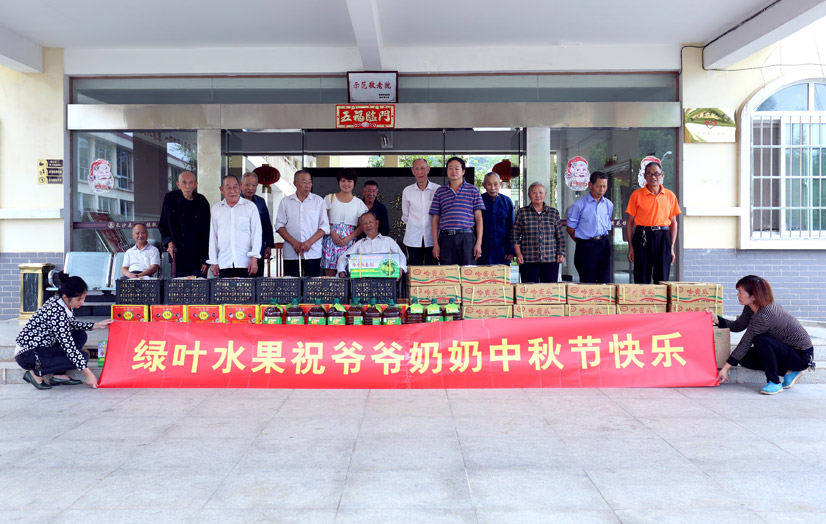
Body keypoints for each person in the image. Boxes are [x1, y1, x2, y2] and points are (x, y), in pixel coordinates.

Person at [715, 275, 814, 395]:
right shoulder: (751, 307)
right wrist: (716, 319)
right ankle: (788, 372)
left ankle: (774, 383)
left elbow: (745, 342)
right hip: (784, 350)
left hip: (801, 356)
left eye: (740, 292)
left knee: (760, 340)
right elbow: (738, 325)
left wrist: (725, 369)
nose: (737, 295)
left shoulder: (764, 315)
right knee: (744, 357)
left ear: (754, 296)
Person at [15, 276, 114, 390]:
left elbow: (70, 324)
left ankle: (59, 375)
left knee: (79, 335)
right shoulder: (56, 311)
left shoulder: (62, 302)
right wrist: (89, 374)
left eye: (83, 298)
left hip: (44, 347)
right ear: (65, 297)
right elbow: (69, 347)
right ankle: (35, 373)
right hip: (28, 355)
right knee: (82, 357)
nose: (82, 302)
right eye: (79, 299)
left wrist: (97, 325)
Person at [625, 161, 681, 284]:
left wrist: (671, 247)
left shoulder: (670, 196)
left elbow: (674, 223)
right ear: (644, 176)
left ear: (662, 175)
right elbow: (629, 223)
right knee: (641, 277)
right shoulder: (636, 195)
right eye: (649, 174)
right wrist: (631, 247)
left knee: (662, 278)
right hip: (642, 236)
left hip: (663, 237)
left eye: (656, 173)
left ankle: (660, 298)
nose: (653, 177)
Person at [429, 157, 485, 265]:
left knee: (468, 271)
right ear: (447, 171)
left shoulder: (473, 190)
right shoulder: (440, 191)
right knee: (448, 272)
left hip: (467, 237)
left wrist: (478, 243)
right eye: (450, 168)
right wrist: (435, 244)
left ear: (463, 171)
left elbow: (479, 219)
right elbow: (435, 219)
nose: (453, 171)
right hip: (446, 238)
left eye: (457, 168)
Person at [275, 170, 329, 278]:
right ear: (295, 183)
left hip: (313, 251)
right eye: (304, 182)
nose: (308, 185)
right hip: (291, 252)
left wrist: (309, 242)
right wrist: (294, 243)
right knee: (292, 283)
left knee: (312, 284)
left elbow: (324, 227)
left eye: (310, 182)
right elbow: (279, 226)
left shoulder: (318, 201)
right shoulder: (286, 202)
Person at [207, 175, 262, 278]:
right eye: (228, 187)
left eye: (235, 187)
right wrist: (214, 262)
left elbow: (257, 234)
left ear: (240, 187)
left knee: (247, 289)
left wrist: (254, 258)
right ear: (221, 190)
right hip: (224, 262)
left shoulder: (250, 207)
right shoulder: (216, 209)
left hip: (246, 263)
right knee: (225, 289)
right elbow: (213, 237)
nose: (232, 191)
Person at [159, 171, 211, 277]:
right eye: (184, 182)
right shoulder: (170, 198)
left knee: (198, 286)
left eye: (191, 182)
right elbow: (163, 225)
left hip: (197, 257)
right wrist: (169, 243)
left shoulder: (202, 201)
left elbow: (208, 232)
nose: (188, 186)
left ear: (195, 184)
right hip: (177, 256)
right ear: (178, 184)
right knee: (178, 286)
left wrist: (206, 259)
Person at [512, 182, 566, 283]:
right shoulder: (522, 212)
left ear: (545, 195)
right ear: (529, 195)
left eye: (541, 192)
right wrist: (518, 254)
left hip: (550, 258)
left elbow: (560, 236)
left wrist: (561, 253)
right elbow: (515, 236)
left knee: (549, 288)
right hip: (528, 258)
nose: (538, 195)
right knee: (529, 288)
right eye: (534, 192)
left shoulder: (553, 212)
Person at [566, 171, 614, 283]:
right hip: (586, 245)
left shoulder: (608, 204)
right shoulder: (579, 205)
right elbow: (570, 229)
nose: (602, 189)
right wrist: (583, 241)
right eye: (599, 186)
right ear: (590, 185)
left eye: (604, 186)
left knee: (604, 280)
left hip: (603, 243)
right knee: (588, 280)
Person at [322, 168, 368, 276]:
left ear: (354, 183)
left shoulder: (359, 203)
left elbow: (362, 226)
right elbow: (322, 220)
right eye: (343, 181)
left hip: (349, 242)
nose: (346, 184)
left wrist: (349, 238)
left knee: (348, 273)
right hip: (330, 241)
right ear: (339, 182)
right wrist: (332, 234)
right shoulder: (329, 198)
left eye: (349, 181)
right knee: (331, 276)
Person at [337, 211, 407, 277]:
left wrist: (401, 269)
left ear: (377, 223)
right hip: (363, 281)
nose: (368, 225)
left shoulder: (388, 241)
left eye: (370, 222)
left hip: (386, 280)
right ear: (362, 227)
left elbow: (401, 256)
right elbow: (343, 258)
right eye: (365, 223)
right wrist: (341, 271)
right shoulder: (360, 244)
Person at [402, 158, 440, 266]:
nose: (420, 172)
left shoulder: (437, 189)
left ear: (428, 169)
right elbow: (405, 216)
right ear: (413, 171)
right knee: (414, 268)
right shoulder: (407, 191)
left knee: (432, 268)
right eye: (416, 169)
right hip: (413, 237)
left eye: (422, 168)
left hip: (432, 238)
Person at [241, 171, 275, 277]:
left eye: (254, 185)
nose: (250, 188)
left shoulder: (260, 202)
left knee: (257, 280)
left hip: (258, 249)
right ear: (241, 184)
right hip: (240, 250)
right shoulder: (235, 201)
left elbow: (267, 225)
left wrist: (269, 245)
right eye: (247, 185)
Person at [479, 172, 515, 265]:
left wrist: (510, 250)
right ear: (484, 185)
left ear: (500, 184)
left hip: (502, 250)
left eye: (495, 184)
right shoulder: (479, 200)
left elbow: (512, 227)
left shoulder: (507, 201)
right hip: (483, 248)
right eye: (489, 184)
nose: (493, 188)